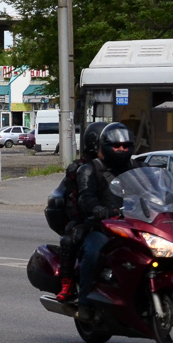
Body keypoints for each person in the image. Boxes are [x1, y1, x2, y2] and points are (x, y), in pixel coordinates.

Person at [75, 122, 135, 301]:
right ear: (105, 146)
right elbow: (86, 197)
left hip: (134, 226)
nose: (121, 149)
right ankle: (85, 300)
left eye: (125, 146)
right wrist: (98, 209)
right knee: (94, 253)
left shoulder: (137, 167)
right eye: (116, 146)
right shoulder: (90, 169)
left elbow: (152, 190)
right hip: (101, 228)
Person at [54, 122, 106, 301]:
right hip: (86, 219)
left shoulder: (114, 165)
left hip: (113, 219)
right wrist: (84, 218)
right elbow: (73, 199)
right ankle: (67, 283)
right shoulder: (79, 168)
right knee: (71, 239)